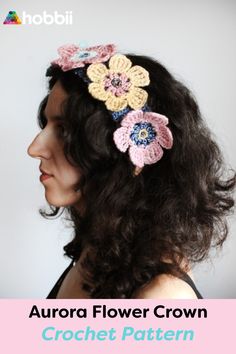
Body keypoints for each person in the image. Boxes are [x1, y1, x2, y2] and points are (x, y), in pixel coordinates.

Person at [27, 43, 235, 299]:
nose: (34, 148)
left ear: (130, 153)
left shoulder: (163, 298)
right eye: (46, 125)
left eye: (65, 131)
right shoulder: (96, 254)